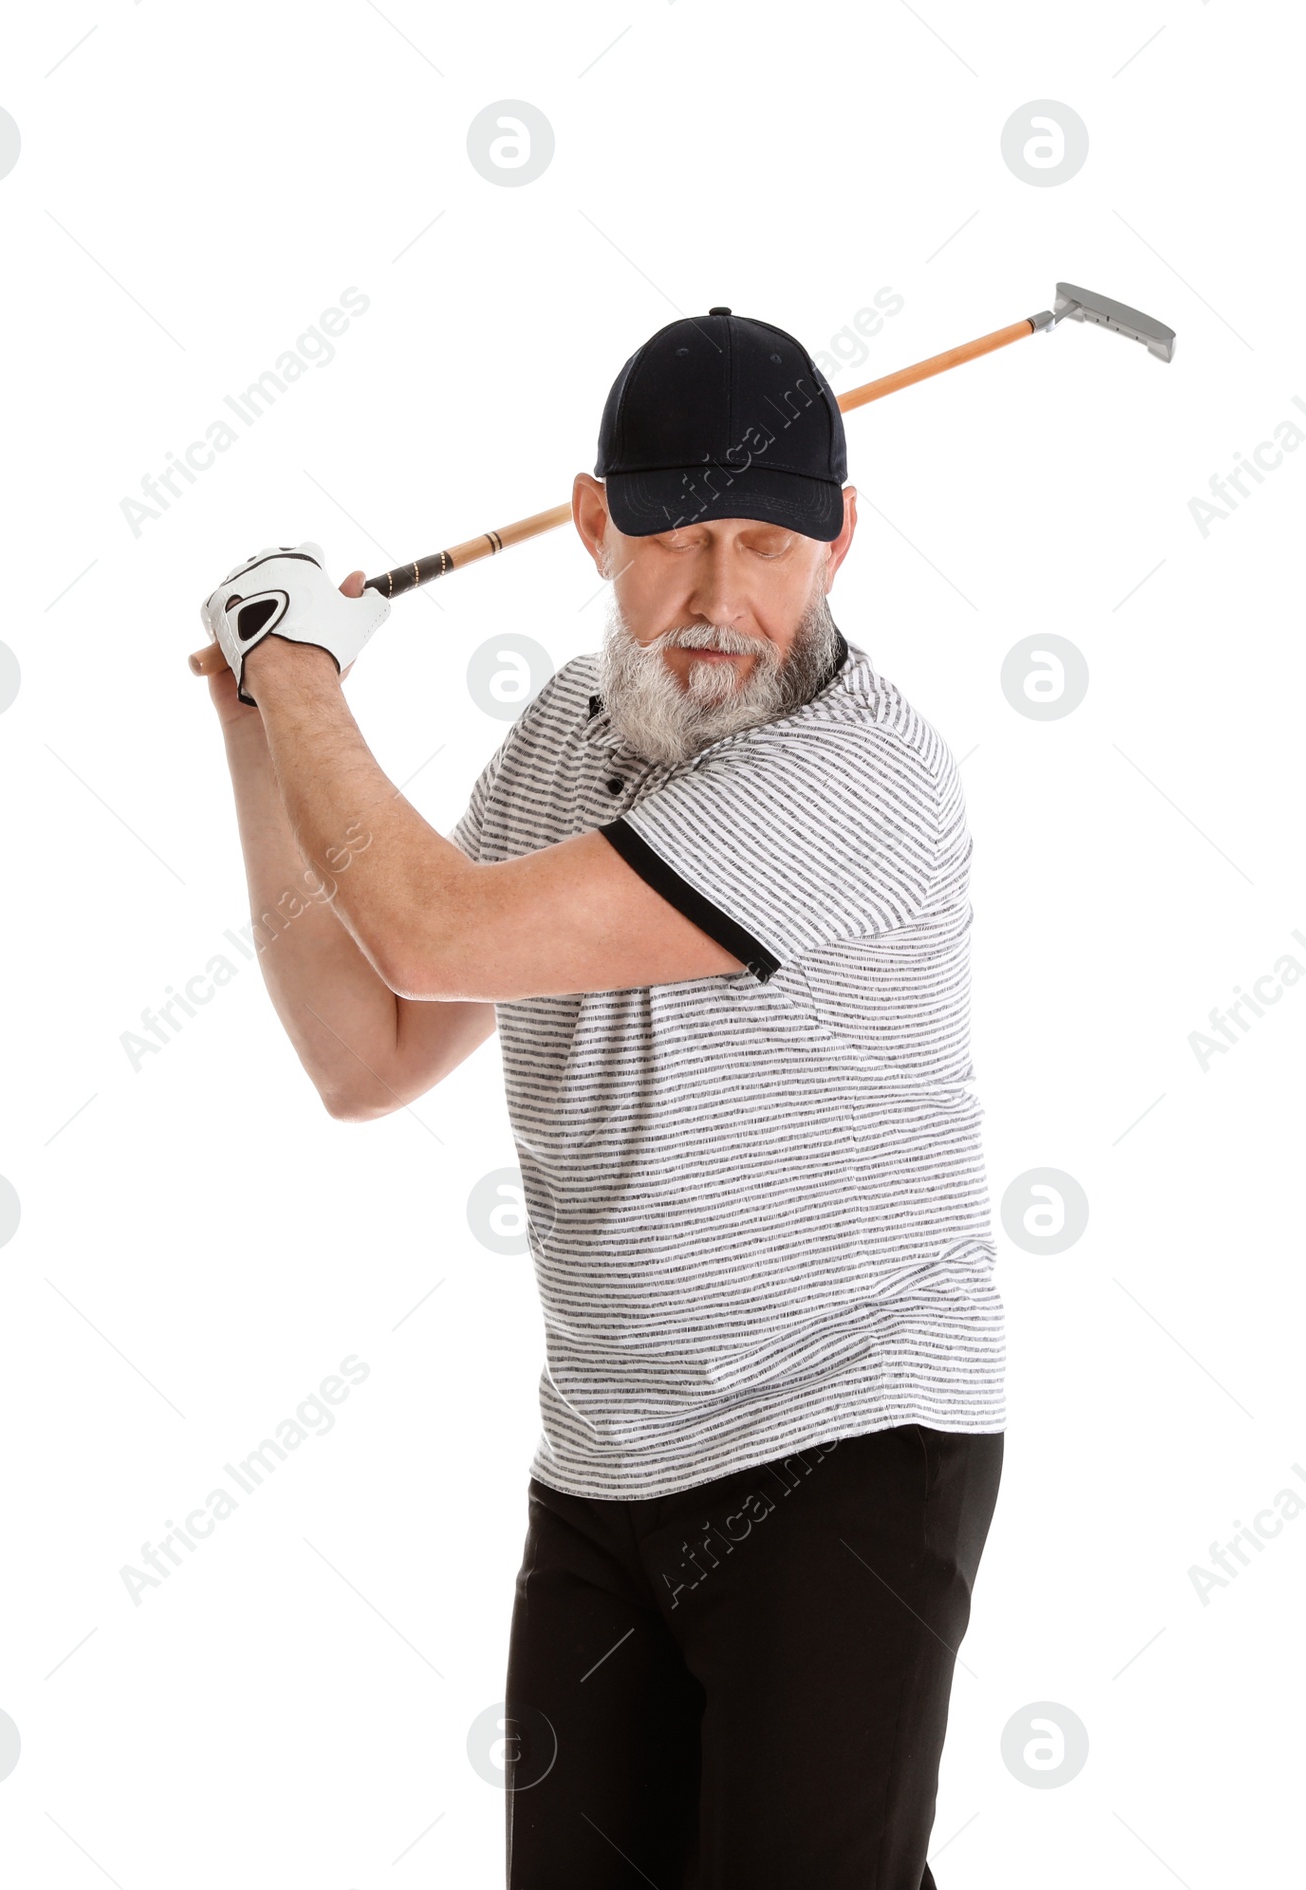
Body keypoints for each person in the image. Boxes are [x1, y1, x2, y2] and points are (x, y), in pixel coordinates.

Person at [201, 306, 1006, 1889]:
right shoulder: (562, 740)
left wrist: (304, 680)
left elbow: (435, 923)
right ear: (592, 524)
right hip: (606, 1465)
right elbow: (369, 1050)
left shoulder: (858, 778)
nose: (721, 599)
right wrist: (255, 729)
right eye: (677, 536)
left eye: (769, 542)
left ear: (842, 538)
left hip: (844, 1434)